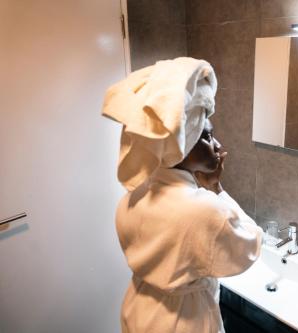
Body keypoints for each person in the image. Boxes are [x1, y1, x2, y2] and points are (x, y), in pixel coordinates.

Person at [102, 57, 263, 333]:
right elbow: (249, 246)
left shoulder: (131, 197)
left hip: (138, 311)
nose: (218, 145)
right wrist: (216, 188)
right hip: (183, 322)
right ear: (182, 143)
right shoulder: (202, 211)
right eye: (207, 137)